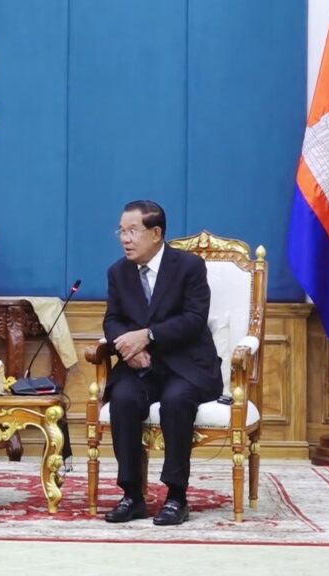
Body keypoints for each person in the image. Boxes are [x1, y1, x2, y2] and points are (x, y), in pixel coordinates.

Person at [101, 200, 222, 526]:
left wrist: (148, 336)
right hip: (140, 366)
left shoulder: (189, 267)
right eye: (121, 231)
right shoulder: (118, 272)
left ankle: (176, 497)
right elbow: (112, 321)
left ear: (156, 233)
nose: (125, 239)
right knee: (123, 399)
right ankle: (132, 495)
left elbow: (194, 319)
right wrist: (127, 349)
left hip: (187, 364)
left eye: (132, 231)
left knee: (176, 401)